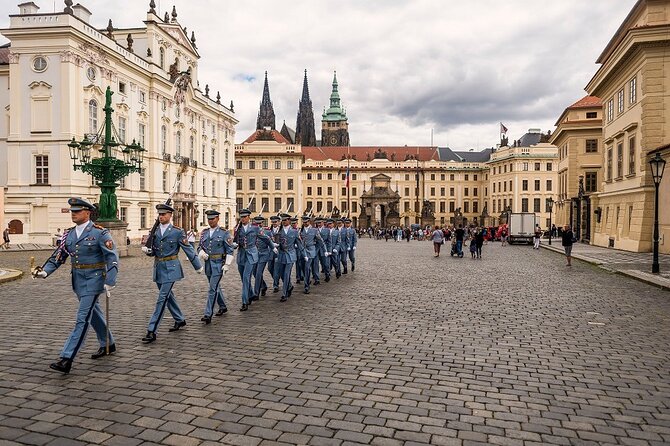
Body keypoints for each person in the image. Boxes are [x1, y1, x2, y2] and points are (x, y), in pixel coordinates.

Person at [32, 198, 118, 374]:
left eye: (77, 211)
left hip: (95, 280)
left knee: (82, 318)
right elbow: (59, 256)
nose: (74, 214)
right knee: (94, 313)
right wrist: (45, 271)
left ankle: (67, 358)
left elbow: (112, 258)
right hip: (78, 280)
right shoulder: (69, 234)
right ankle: (108, 342)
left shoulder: (100, 233)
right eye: (72, 211)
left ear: (87, 213)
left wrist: (110, 280)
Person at [140, 204, 203, 343]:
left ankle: (152, 330)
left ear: (170, 215)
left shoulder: (177, 231)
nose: (161, 217)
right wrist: (148, 251)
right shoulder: (155, 231)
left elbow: (188, 249)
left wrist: (197, 266)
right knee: (168, 297)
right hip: (158, 267)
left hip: (171, 267)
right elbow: (154, 251)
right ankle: (179, 319)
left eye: (164, 214)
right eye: (160, 214)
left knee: (161, 298)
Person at [233, 208, 275, 311]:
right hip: (241, 255)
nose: (243, 219)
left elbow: (266, 238)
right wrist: (234, 245)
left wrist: (273, 247)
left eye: (245, 217)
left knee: (247, 277)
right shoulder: (237, 228)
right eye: (241, 217)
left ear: (249, 217)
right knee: (243, 278)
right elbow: (235, 241)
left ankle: (245, 301)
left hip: (251, 255)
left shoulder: (255, 228)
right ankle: (251, 294)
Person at [197, 210, 235, 324]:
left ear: (218, 218)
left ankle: (208, 314)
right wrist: (201, 253)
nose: (210, 221)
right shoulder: (204, 232)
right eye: (209, 219)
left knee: (212, 289)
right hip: (208, 263)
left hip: (219, 264)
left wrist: (227, 264)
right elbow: (199, 247)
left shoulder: (224, 233)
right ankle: (222, 306)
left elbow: (230, 249)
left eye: (212, 219)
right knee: (215, 286)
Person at [275, 213, 302, 302]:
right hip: (281, 255)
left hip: (290, 255)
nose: (284, 222)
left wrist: (304, 255)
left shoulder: (294, 232)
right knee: (281, 274)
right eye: (282, 220)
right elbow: (277, 243)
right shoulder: (279, 232)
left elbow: (299, 244)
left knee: (287, 274)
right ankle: (289, 286)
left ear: (289, 221)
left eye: (285, 220)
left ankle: (284, 294)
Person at [299, 215, 325, 294]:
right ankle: (307, 279)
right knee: (302, 266)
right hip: (303, 251)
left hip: (310, 251)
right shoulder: (300, 230)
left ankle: (306, 286)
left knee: (307, 268)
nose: (305, 223)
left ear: (309, 222)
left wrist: (315, 249)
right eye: (303, 222)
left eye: (306, 222)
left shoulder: (314, 230)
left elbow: (320, 241)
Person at [251, 215, 273, 300]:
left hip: (264, 253)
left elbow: (271, 242)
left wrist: (272, 254)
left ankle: (256, 293)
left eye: (260, 223)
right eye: (257, 223)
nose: (258, 225)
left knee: (259, 272)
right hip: (255, 254)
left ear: (262, 223)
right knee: (254, 272)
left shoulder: (267, 231)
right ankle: (263, 286)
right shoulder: (252, 231)